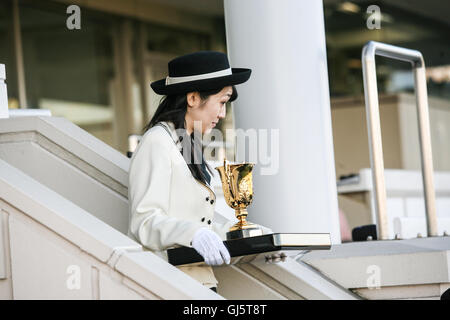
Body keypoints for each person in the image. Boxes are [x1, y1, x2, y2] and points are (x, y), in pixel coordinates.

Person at [128, 51, 267, 291]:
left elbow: (204, 223)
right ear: (193, 98)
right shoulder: (157, 141)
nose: (223, 114)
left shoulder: (187, 143)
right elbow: (144, 222)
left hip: (199, 282)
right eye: (222, 102)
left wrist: (258, 238)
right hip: (169, 285)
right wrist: (194, 234)